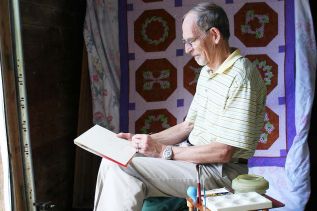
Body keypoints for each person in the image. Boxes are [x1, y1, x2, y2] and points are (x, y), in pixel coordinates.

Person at [93, 2, 266, 210]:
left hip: (220, 172)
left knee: (123, 169)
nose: (187, 49)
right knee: (113, 160)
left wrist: (164, 151)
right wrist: (141, 141)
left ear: (214, 35)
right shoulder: (208, 72)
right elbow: (188, 126)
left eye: (191, 41)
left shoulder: (241, 76)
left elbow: (224, 152)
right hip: (193, 160)